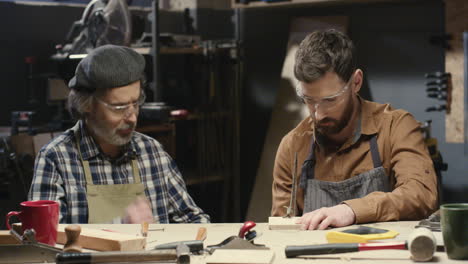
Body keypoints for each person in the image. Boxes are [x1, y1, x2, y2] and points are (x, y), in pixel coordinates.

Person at [271, 29, 437, 230]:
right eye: (309, 100)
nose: (318, 114)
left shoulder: (396, 127)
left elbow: (421, 194)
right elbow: (280, 229)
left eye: (330, 100)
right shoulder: (293, 147)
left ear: (356, 82)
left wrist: (351, 210)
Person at [28, 45, 210, 224]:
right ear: (86, 105)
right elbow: (43, 242)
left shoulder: (152, 152)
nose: (132, 118)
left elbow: (193, 219)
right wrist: (121, 227)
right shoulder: (56, 158)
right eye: (119, 107)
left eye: (136, 103)